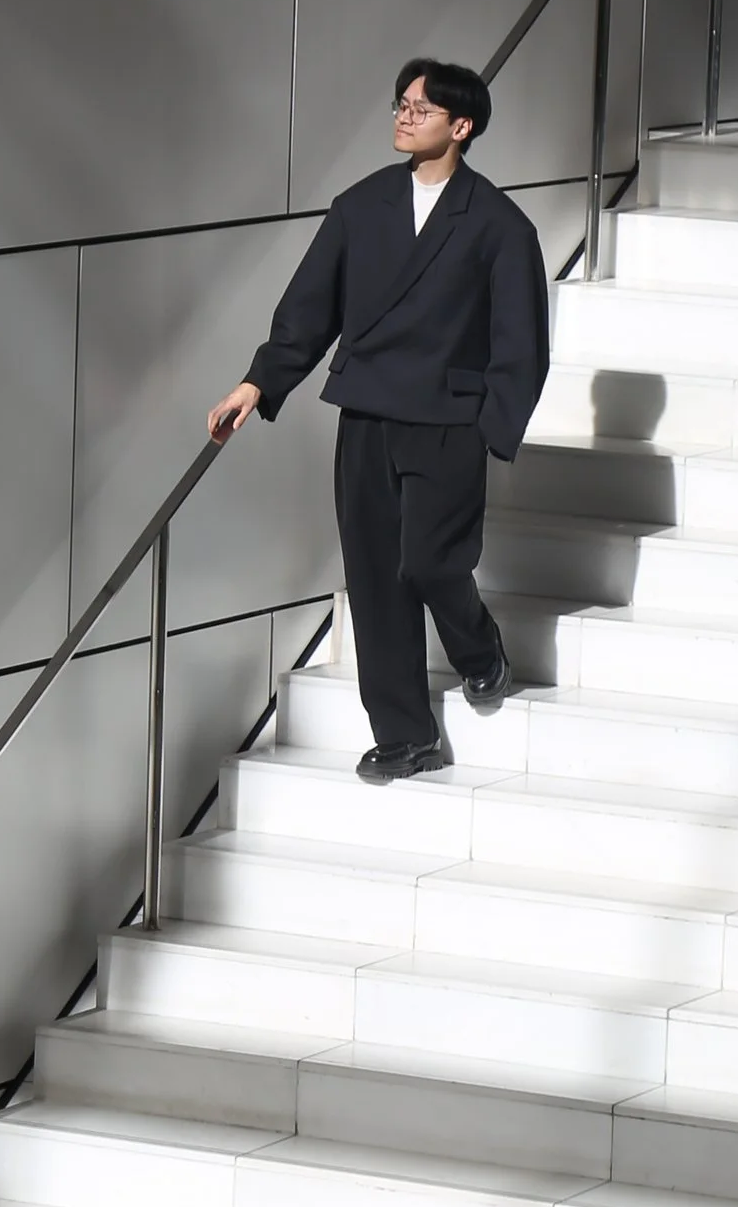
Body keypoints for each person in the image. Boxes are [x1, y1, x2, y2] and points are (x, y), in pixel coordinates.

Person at [209, 58, 551, 782]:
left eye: (420, 109)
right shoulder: (360, 207)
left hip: (447, 419)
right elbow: (309, 308)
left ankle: (479, 648)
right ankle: (404, 733)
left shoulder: (498, 224)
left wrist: (493, 427)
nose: (403, 116)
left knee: (430, 562)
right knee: (373, 576)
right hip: (366, 412)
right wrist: (258, 382)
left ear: (461, 127)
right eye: (400, 103)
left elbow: (522, 343)